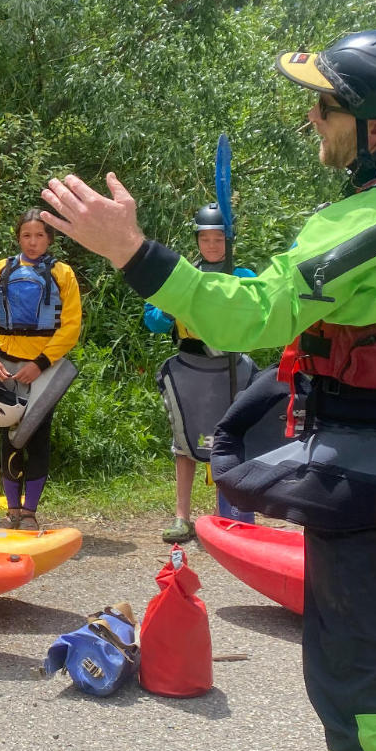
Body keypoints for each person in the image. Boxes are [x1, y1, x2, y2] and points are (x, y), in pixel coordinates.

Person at [40, 30, 376, 751]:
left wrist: (133, 251)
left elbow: (250, 316)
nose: (311, 118)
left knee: (356, 684)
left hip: (370, 483)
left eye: (324, 105)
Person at [142, 204, 258, 542]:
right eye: (205, 238)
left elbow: (263, 312)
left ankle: (234, 510)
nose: (211, 245)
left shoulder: (245, 276)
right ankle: (182, 518)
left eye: (218, 238)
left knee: (233, 439)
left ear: (229, 240)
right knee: (185, 442)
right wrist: (167, 309)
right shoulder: (183, 276)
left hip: (230, 366)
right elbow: (153, 319)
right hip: (191, 367)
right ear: (197, 241)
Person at [0, 210, 82, 530]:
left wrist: (41, 363)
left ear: (50, 238)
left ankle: (30, 512)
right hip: (4, 365)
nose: (33, 243)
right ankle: (13, 511)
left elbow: (71, 326)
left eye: (40, 236)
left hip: (44, 369)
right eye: (27, 236)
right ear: (18, 237)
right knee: (9, 438)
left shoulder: (63, 274)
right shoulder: (1, 269)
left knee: (35, 437)